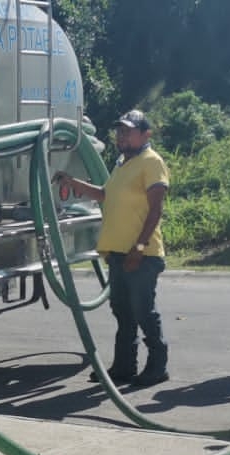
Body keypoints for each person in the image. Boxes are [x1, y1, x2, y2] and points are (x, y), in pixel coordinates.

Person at [54, 109, 171, 387]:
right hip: (118, 253)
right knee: (123, 312)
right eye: (120, 131)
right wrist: (74, 183)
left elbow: (156, 210)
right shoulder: (122, 163)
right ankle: (123, 367)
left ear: (145, 134)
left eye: (128, 131)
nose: (122, 136)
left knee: (144, 312)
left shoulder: (151, 162)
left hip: (142, 254)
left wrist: (139, 247)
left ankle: (157, 366)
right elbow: (106, 195)